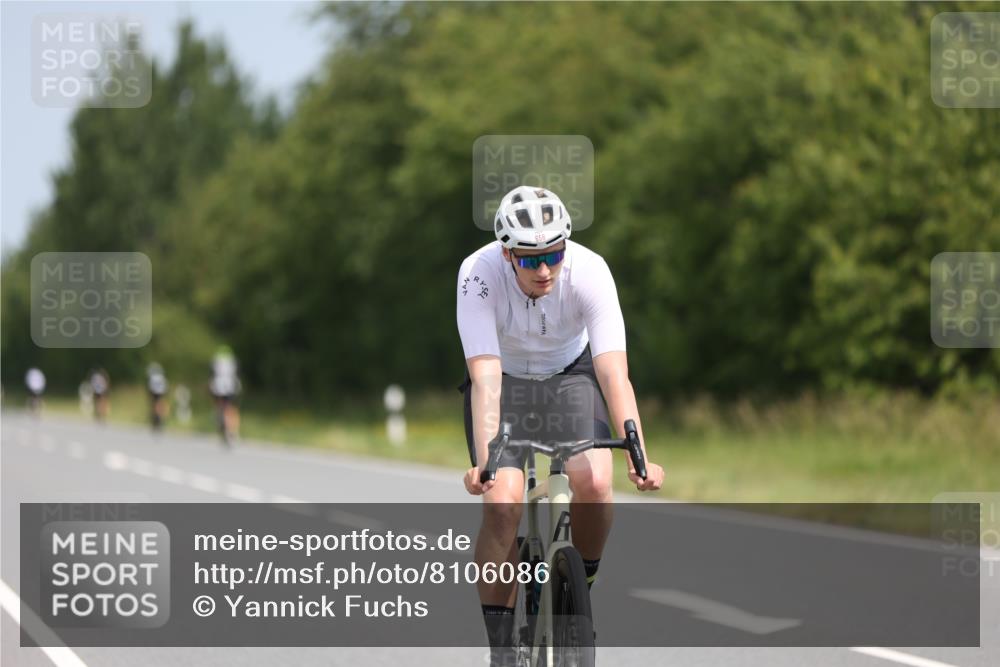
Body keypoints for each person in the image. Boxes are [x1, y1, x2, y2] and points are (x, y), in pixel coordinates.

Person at [456, 185, 665, 665]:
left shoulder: (590, 271)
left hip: (571, 376)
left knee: (595, 481)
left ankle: (579, 583)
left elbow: (613, 373)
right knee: (502, 503)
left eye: (554, 254)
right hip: (504, 381)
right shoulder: (478, 274)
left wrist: (638, 451)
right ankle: (501, 649)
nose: (545, 269)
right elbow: (485, 378)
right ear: (507, 254)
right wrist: (486, 463)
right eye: (531, 260)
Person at [209, 346, 241, 445]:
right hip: (230, 386)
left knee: (220, 406)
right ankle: (233, 429)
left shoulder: (215, 361)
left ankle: (221, 422)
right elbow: (237, 373)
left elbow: (212, 374)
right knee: (232, 408)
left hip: (218, 386)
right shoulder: (233, 361)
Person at [146, 362, 170, 431]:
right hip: (161, 394)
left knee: (154, 408)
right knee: (160, 408)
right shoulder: (162, 378)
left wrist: (150, 396)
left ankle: (155, 422)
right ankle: (160, 421)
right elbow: (166, 387)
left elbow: (150, 388)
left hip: (155, 394)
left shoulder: (152, 378)